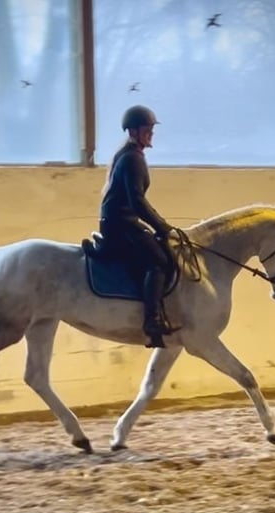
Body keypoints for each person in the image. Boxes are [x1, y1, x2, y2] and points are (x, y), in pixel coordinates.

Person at [98, 104, 180, 348]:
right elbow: (138, 201)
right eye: (147, 129)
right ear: (133, 131)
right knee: (160, 261)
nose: (151, 133)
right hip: (120, 225)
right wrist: (163, 227)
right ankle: (151, 320)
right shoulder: (133, 158)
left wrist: (158, 226)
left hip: (121, 222)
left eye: (152, 129)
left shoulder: (130, 155)